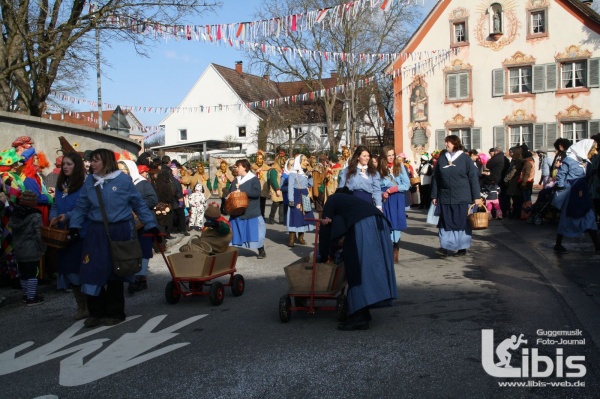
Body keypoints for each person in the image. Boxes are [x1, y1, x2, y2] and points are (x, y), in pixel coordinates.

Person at [69, 148, 160, 327]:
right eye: (91, 161)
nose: (91, 164)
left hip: (120, 231)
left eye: (96, 161)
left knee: (116, 271)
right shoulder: (90, 181)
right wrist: (74, 225)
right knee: (92, 270)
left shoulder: (123, 180)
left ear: (106, 162)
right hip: (96, 232)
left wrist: (151, 224)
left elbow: (139, 204)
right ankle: (96, 312)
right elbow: (81, 206)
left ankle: (115, 312)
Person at [318, 192, 398, 331]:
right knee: (373, 266)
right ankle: (364, 309)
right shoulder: (349, 201)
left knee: (357, 267)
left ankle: (359, 316)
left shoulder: (331, 201)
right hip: (380, 222)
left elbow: (325, 229)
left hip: (364, 224)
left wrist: (324, 255)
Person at [49, 152, 89, 318]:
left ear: (77, 166)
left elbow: (84, 207)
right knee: (68, 270)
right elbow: (56, 205)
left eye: (69, 164)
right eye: (63, 164)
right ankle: (80, 305)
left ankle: (89, 304)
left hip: (80, 231)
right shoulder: (61, 184)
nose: (65, 167)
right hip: (62, 232)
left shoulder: (84, 184)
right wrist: (53, 218)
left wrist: (68, 216)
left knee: (80, 269)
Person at [431, 135, 483, 257]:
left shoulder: (465, 159)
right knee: (445, 222)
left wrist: (477, 196)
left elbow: (473, 179)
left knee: (462, 222)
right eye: (445, 142)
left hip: (462, 197)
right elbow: (436, 179)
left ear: (455, 143)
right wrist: (434, 195)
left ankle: (462, 247)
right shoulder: (442, 158)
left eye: (448, 142)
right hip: (445, 197)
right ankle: (444, 246)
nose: (446, 145)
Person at [118, 160, 159, 294]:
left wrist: (136, 206)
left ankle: (141, 278)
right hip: (129, 223)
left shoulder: (142, 183)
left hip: (143, 222)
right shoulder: (121, 184)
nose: (121, 173)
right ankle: (131, 275)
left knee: (144, 250)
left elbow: (153, 199)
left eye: (123, 170)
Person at [553, 139, 600, 253]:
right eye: (593, 150)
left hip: (582, 192)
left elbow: (586, 176)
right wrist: (562, 188)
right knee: (566, 217)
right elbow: (561, 175)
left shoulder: (585, 161)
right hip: (572, 193)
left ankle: (597, 247)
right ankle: (558, 244)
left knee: (589, 216)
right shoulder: (569, 160)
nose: (594, 152)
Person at [9, 190, 45, 306]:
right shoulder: (36, 215)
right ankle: (31, 297)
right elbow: (39, 234)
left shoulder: (15, 214)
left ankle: (25, 295)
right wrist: (43, 248)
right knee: (32, 273)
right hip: (31, 248)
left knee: (23, 273)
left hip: (19, 248)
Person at [227, 159, 267, 259]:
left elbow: (256, 193)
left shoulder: (253, 179)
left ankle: (261, 250)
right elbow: (230, 191)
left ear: (244, 167)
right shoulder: (236, 180)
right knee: (235, 232)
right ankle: (232, 251)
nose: (236, 168)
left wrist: (241, 192)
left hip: (251, 211)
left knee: (255, 233)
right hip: (237, 211)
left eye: (238, 166)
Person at [378, 146, 409, 264]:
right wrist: (382, 193)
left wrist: (394, 189)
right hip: (385, 199)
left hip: (396, 198)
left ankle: (395, 253)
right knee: (386, 223)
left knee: (396, 224)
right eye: (388, 155)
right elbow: (375, 185)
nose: (391, 157)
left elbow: (406, 185)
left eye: (392, 155)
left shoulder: (399, 166)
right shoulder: (379, 168)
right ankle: (387, 250)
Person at [286, 154, 316, 247]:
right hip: (296, 195)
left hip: (305, 194)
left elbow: (310, 185)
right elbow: (290, 187)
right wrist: (291, 199)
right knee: (295, 216)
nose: (306, 162)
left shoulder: (305, 173)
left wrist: (310, 176)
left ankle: (301, 237)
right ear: (298, 162)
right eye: (303, 160)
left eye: (306, 160)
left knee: (304, 216)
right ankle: (291, 238)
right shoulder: (292, 174)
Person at [504, 147, 524, 219]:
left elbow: (513, 171)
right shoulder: (515, 160)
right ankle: (514, 212)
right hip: (514, 182)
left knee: (516, 199)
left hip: (515, 182)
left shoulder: (518, 161)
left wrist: (506, 179)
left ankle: (516, 213)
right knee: (515, 199)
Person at [267, 152, 286, 224]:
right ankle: (271, 218)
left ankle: (281, 219)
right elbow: (273, 180)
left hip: (282, 189)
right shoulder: (273, 170)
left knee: (282, 204)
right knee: (275, 204)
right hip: (276, 190)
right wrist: (277, 189)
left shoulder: (282, 170)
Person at [251, 150, 271, 218]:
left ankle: (262, 215)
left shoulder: (267, 168)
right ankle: (255, 214)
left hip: (263, 188)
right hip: (255, 187)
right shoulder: (253, 167)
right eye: (258, 158)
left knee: (262, 202)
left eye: (260, 158)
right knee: (255, 202)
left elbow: (268, 178)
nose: (259, 160)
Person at [281, 158, 294, 225]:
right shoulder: (284, 175)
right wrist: (289, 187)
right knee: (287, 212)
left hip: (295, 198)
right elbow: (282, 187)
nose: (292, 166)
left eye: (293, 165)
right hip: (287, 197)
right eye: (291, 165)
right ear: (287, 165)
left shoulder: (296, 174)